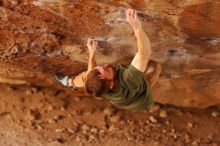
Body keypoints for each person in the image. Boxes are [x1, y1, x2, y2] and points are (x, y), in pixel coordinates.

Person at [55, 9, 161, 110]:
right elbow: (144, 54)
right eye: (105, 70)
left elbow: (91, 72)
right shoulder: (129, 79)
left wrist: (92, 53)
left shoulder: (101, 87)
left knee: (86, 77)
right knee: (154, 67)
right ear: (111, 84)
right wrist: (137, 28)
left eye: (101, 67)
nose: (106, 65)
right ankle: (144, 87)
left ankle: (70, 83)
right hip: (141, 100)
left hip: (118, 99)